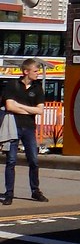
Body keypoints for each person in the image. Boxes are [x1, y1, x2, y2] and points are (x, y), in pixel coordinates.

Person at [1, 58, 48, 205]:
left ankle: (35, 191)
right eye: (35, 71)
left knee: (33, 160)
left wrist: (20, 107)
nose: (38, 73)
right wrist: (30, 109)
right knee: (11, 161)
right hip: (13, 127)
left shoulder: (38, 88)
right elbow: (9, 106)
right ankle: (9, 194)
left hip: (29, 128)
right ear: (26, 71)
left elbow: (40, 110)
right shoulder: (12, 85)